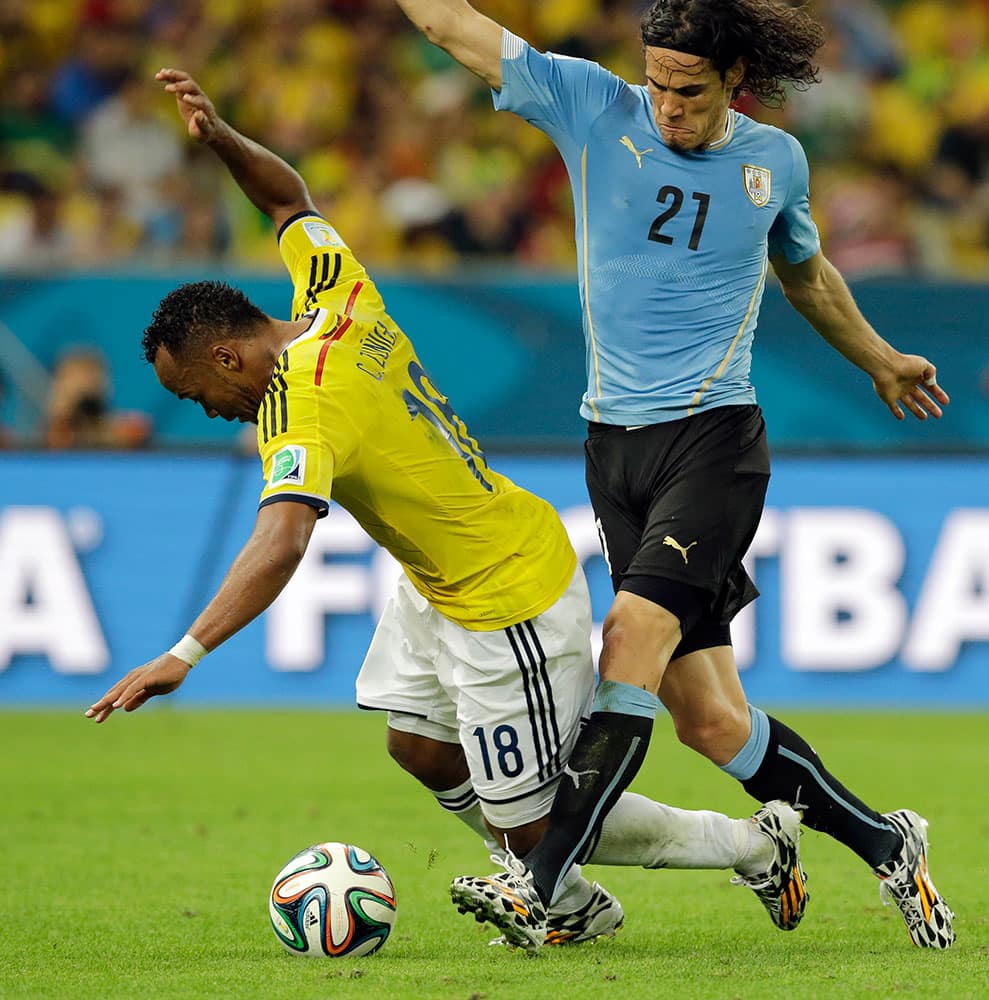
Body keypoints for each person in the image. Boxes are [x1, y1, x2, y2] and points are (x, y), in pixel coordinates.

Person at [86, 68, 810, 948]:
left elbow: (279, 542)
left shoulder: (300, 406)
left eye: (195, 390)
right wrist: (223, 139)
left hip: (508, 602)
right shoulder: (332, 292)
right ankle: (568, 893)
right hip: (443, 583)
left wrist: (184, 654)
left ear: (229, 359)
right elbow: (288, 200)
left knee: (532, 829)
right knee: (418, 746)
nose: (202, 409)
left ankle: (743, 846)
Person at [390, 0, 955, 951]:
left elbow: (806, 274)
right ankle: (884, 840)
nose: (664, 106)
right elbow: (451, 26)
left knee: (631, 640)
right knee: (710, 723)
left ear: (732, 79)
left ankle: (539, 883)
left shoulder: (773, 162)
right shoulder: (588, 105)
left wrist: (878, 357)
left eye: (687, 91)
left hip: (713, 441)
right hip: (612, 450)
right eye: (654, 81)